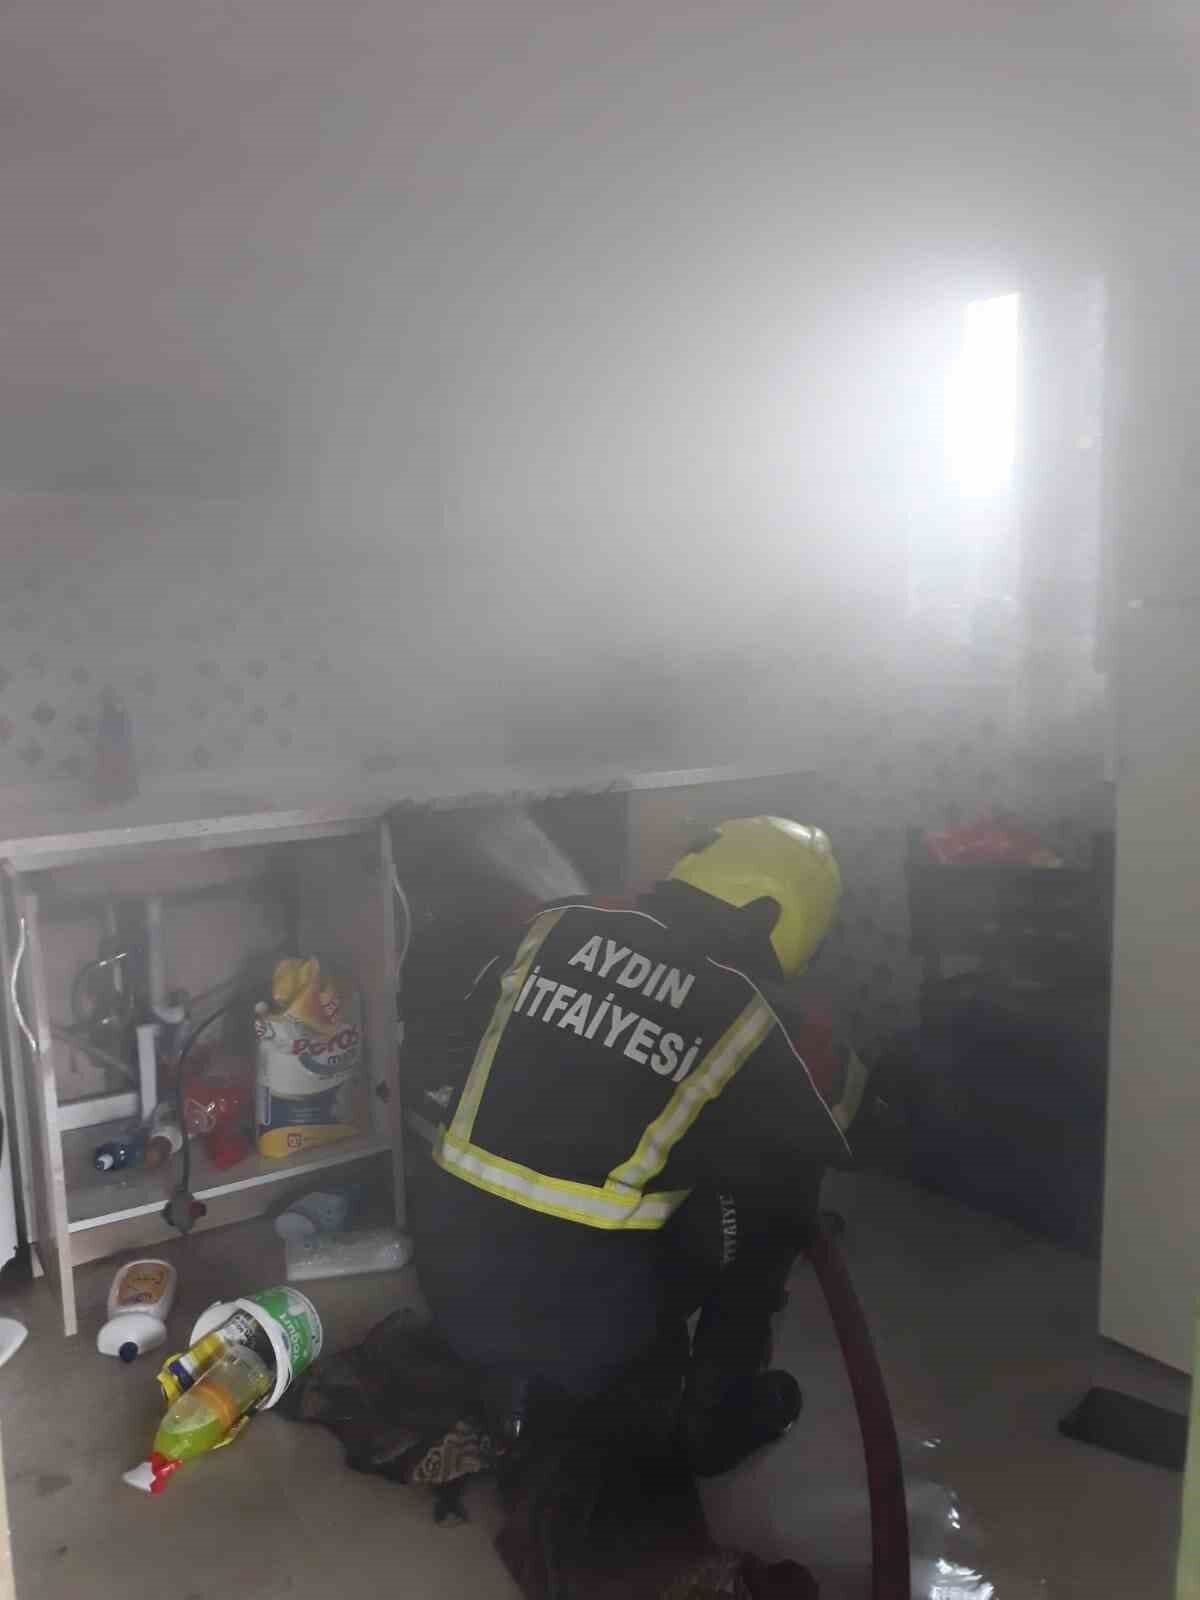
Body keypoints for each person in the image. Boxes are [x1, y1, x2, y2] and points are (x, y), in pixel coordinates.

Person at [411, 816, 865, 1476]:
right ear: (778, 914)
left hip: (446, 1283)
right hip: (587, 1339)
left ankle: (516, 1377)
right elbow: (828, 1133)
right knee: (775, 1193)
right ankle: (716, 1412)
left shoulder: (552, 928)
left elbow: (470, 1041)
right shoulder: (750, 1014)